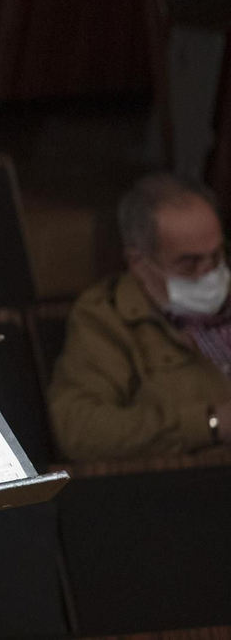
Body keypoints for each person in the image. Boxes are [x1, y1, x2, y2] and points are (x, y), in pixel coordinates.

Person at [49, 174, 231, 462]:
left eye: (216, 256)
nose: (208, 274)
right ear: (139, 262)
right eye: (189, 262)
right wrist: (211, 424)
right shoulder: (107, 319)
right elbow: (81, 431)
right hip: (188, 490)